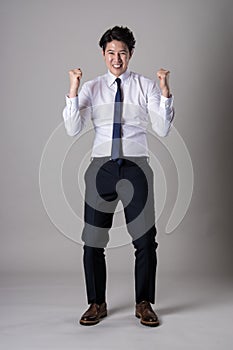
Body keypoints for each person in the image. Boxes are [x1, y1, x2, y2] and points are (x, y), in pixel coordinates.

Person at [62, 25, 174, 327]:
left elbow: (161, 129)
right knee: (93, 241)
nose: (116, 58)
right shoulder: (92, 87)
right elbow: (73, 129)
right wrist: (73, 90)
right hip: (102, 169)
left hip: (137, 167)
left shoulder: (146, 86)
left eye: (122, 52)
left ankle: (144, 303)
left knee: (145, 240)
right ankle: (96, 303)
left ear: (131, 54)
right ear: (103, 54)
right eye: (111, 52)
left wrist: (165, 94)